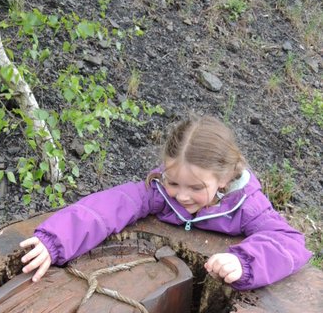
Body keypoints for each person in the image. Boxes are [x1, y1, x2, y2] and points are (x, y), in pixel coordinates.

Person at [19, 114, 312, 290]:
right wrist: (55, 241)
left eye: (196, 188)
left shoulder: (245, 205)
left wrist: (244, 262)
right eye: (174, 182)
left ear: (223, 179)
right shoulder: (157, 190)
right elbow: (108, 207)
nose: (182, 196)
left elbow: (289, 243)